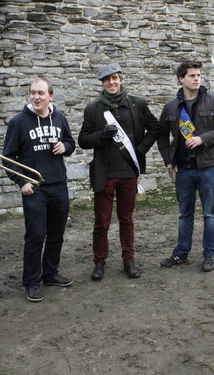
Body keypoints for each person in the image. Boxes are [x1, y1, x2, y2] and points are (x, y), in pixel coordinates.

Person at [78, 63, 159, 281]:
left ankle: (129, 261)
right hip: (104, 173)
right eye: (106, 80)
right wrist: (103, 134)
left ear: (121, 79)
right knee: (101, 222)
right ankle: (99, 263)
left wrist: (141, 149)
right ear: (102, 83)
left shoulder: (137, 104)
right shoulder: (93, 109)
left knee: (126, 219)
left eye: (114, 78)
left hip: (128, 172)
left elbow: (155, 128)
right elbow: (83, 140)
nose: (111, 82)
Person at [2, 78, 75, 303]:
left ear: (50, 96)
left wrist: (65, 146)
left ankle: (50, 274)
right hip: (34, 188)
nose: (36, 97)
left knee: (56, 234)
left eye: (41, 93)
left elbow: (70, 144)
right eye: (33, 93)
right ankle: (31, 282)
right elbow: (7, 157)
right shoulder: (19, 122)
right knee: (35, 236)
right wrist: (21, 181)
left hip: (58, 185)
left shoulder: (60, 118)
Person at [157, 61, 214, 272]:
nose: (197, 78)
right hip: (184, 169)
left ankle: (210, 254)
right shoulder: (171, 107)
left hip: (207, 166)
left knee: (210, 213)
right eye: (191, 75)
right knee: (185, 214)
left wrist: (202, 139)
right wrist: (168, 160)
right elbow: (161, 136)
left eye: (199, 75)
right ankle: (181, 253)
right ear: (181, 79)